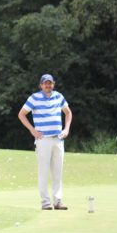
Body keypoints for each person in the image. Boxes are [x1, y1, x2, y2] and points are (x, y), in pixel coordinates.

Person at [18, 74, 72, 210]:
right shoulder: (34, 98)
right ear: (41, 85)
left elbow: (68, 113)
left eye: (50, 83)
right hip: (43, 140)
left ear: (53, 84)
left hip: (58, 139)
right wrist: (32, 130)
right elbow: (21, 114)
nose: (48, 85)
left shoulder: (59, 96)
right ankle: (46, 203)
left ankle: (58, 201)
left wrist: (66, 129)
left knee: (57, 172)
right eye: (45, 83)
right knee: (43, 171)